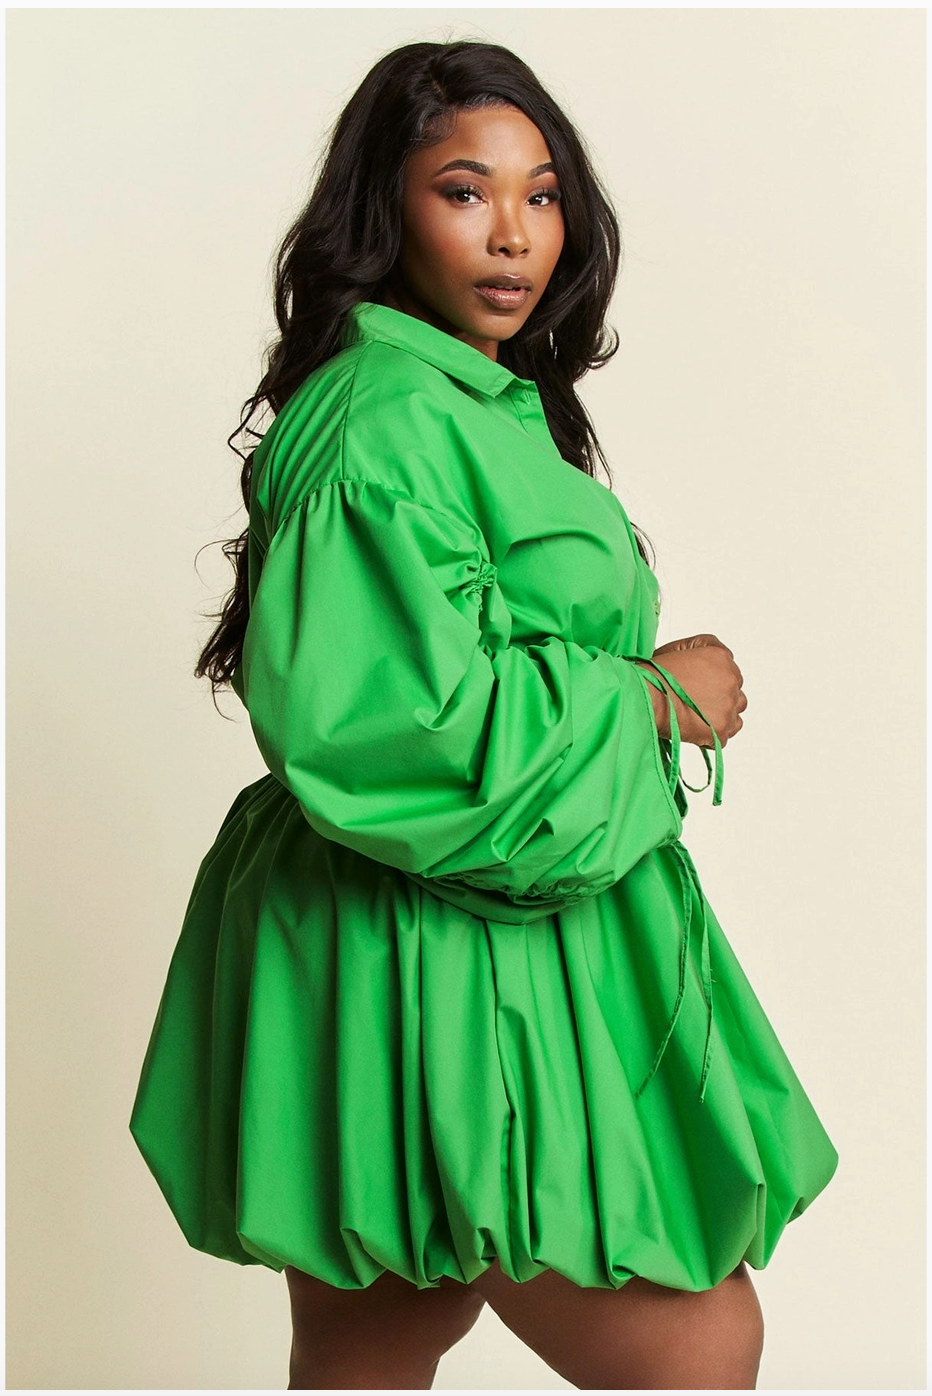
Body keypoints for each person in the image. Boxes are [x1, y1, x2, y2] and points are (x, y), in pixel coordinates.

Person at [130, 39, 837, 1390]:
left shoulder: (461, 402)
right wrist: (655, 700)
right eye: (465, 191)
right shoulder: (387, 420)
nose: (513, 234)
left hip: (421, 929)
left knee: (380, 1336)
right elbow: (404, 730)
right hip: (439, 938)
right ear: (384, 208)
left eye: (542, 193)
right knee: (693, 1342)